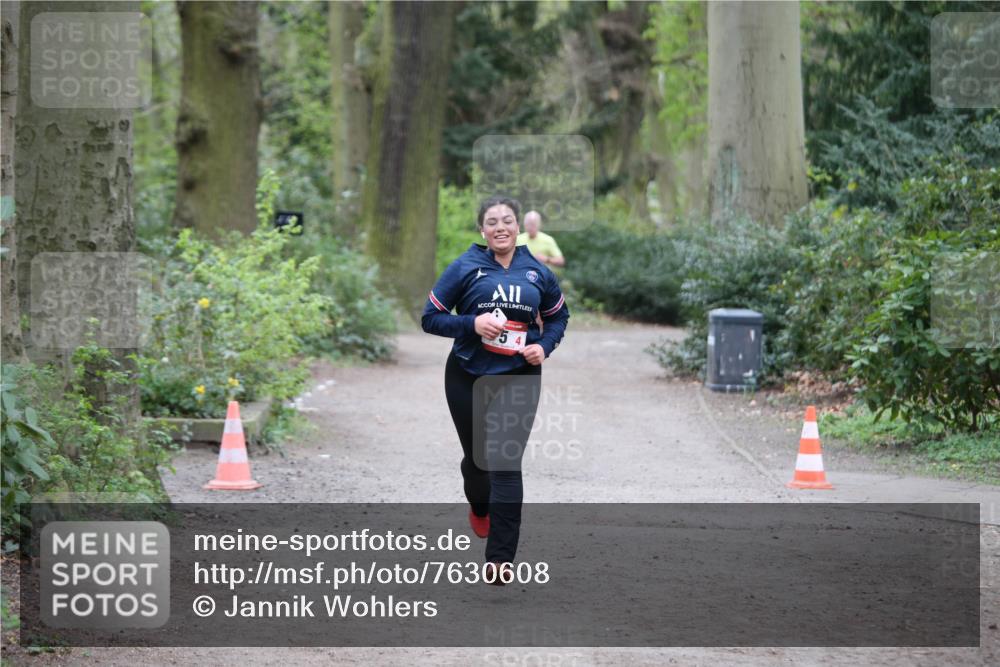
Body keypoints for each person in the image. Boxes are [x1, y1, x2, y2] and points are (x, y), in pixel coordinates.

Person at [422, 195, 570, 585]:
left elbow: (558, 316)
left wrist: (545, 345)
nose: (500, 227)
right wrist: (472, 324)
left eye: (507, 220)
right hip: (467, 375)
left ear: (518, 226)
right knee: (478, 462)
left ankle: (500, 560)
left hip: (518, 376)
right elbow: (430, 318)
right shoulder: (465, 267)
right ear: (482, 230)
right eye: (492, 221)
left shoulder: (537, 272)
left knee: (505, 464)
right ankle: (478, 505)